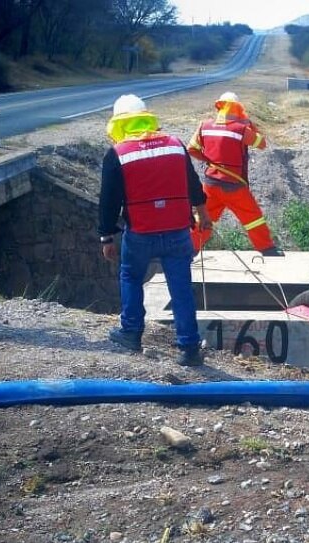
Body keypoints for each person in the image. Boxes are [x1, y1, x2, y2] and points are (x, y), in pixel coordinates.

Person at [98, 94, 213, 367]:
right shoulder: (174, 145)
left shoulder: (117, 154)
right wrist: (204, 214)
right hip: (177, 231)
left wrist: (106, 236)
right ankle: (189, 348)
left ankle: (131, 333)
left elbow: (108, 201)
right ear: (146, 117)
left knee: (131, 276)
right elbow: (193, 184)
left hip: (140, 233)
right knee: (181, 288)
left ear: (120, 124)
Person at [186, 91, 284, 257]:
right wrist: (249, 124)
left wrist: (210, 160)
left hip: (210, 184)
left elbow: (191, 149)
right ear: (238, 109)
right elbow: (262, 143)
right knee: (254, 219)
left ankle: (188, 251)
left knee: (202, 219)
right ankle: (268, 250)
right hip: (234, 186)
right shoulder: (241, 129)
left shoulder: (205, 125)